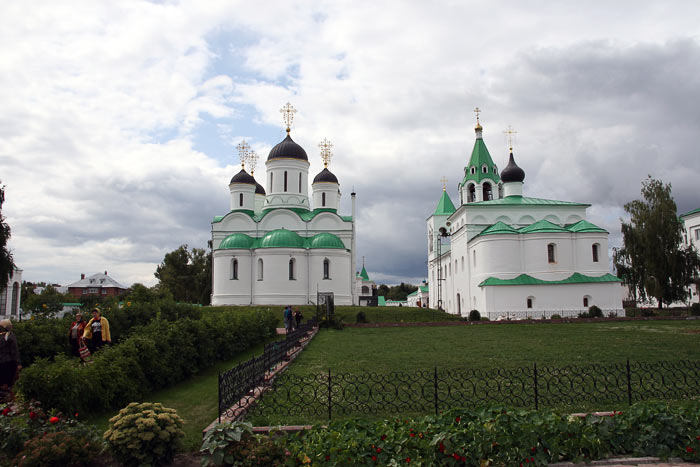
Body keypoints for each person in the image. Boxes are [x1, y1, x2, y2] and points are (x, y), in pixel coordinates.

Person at [0, 319, 20, 402]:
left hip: (2, 363)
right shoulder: (10, 336)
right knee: (9, 384)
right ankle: (9, 401)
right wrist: (18, 363)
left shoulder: (3, 336)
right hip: (9, 362)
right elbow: (14, 351)